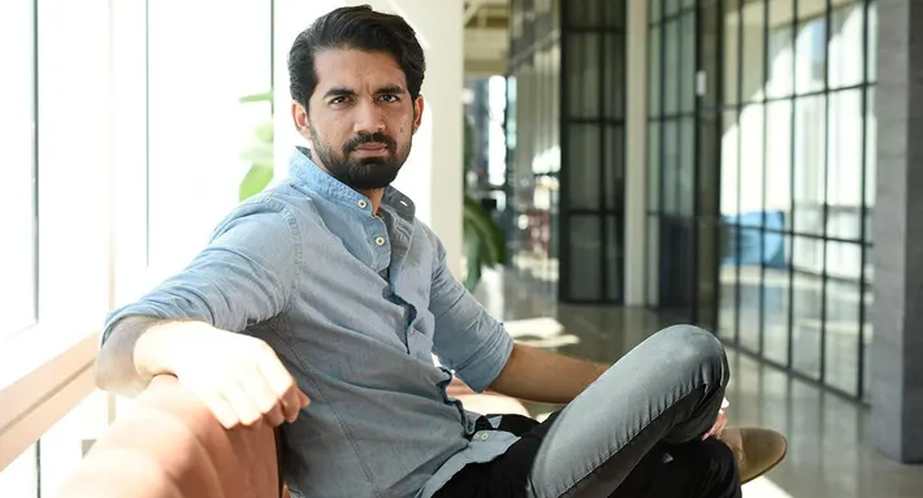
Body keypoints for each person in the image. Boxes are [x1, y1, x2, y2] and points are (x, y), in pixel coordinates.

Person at [96, 5, 784, 498]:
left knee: (701, 471)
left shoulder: (407, 237)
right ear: (303, 118)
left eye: (387, 96)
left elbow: (498, 360)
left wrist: (633, 392)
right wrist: (193, 346)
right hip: (438, 490)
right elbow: (121, 344)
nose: (369, 119)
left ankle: (694, 446)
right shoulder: (280, 232)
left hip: (478, 453)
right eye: (341, 99)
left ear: (415, 112)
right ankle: (696, 436)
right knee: (693, 355)